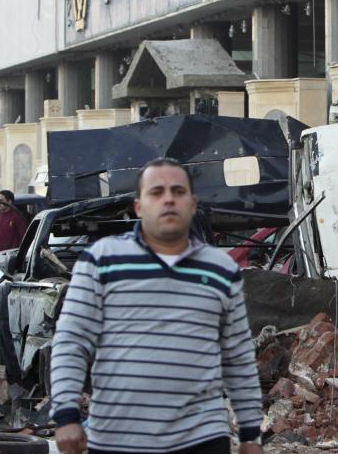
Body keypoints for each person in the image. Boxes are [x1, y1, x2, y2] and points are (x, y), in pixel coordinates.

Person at [50, 157, 264, 454]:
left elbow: (238, 356)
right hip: (118, 438)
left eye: (178, 191)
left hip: (201, 439)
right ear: (139, 206)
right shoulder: (102, 260)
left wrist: (251, 435)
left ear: (192, 204)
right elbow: (72, 340)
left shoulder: (221, 269)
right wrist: (65, 414)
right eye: (156, 192)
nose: (168, 200)